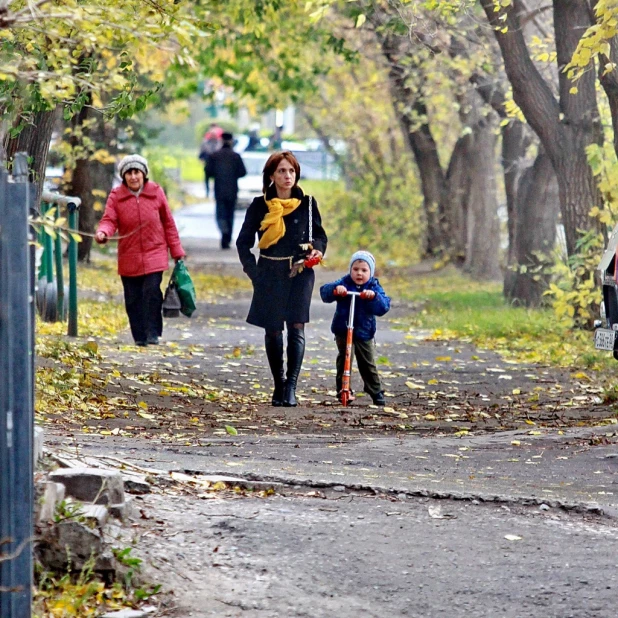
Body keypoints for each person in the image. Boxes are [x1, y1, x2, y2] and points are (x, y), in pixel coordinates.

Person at [236, 151, 327, 407]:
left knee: (297, 325)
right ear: (271, 176)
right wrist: (253, 271)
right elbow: (243, 242)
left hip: (300, 272)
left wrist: (318, 249)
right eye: (281, 171)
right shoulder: (260, 205)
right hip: (270, 272)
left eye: (291, 171)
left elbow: (320, 235)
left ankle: (291, 386)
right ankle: (278, 383)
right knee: (274, 329)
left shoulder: (308, 204)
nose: (287, 176)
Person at [94, 154, 185, 347]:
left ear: (144, 174)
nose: (133, 177)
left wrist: (177, 252)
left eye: (137, 172)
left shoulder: (156, 192)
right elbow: (109, 220)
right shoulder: (116, 196)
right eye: (129, 173)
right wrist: (103, 233)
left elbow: (168, 223)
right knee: (133, 298)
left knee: (151, 292)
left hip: (155, 251)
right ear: (124, 176)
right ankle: (139, 336)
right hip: (129, 255)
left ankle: (153, 332)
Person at [320, 251, 390, 406]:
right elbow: (324, 293)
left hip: (364, 331)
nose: (359, 273)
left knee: (367, 363)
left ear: (370, 272)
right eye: (356, 269)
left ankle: (375, 390)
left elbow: (384, 306)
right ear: (350, 270)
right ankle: (343, 389)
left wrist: (373, 297)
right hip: (343, 329)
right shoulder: (345, 282)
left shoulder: (373, 286)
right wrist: (336, 289)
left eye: (364, 270)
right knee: (345, 358)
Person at [206, 132, 247, 249]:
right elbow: (243, 172)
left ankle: (224, 232)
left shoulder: (214, 156)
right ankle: (227, 236)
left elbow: (208, 171)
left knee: (220, 214)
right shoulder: (235, 157)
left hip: (219, 190)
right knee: (230, 215)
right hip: (232, 190)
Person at [198, 123, 223, 198]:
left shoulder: (219, 143)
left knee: (217, 179)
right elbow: (201, 153)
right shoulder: (205, 143)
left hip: (217, 164)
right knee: (207, 178)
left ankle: (216, 193)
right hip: (208, 163)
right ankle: (207, 192)